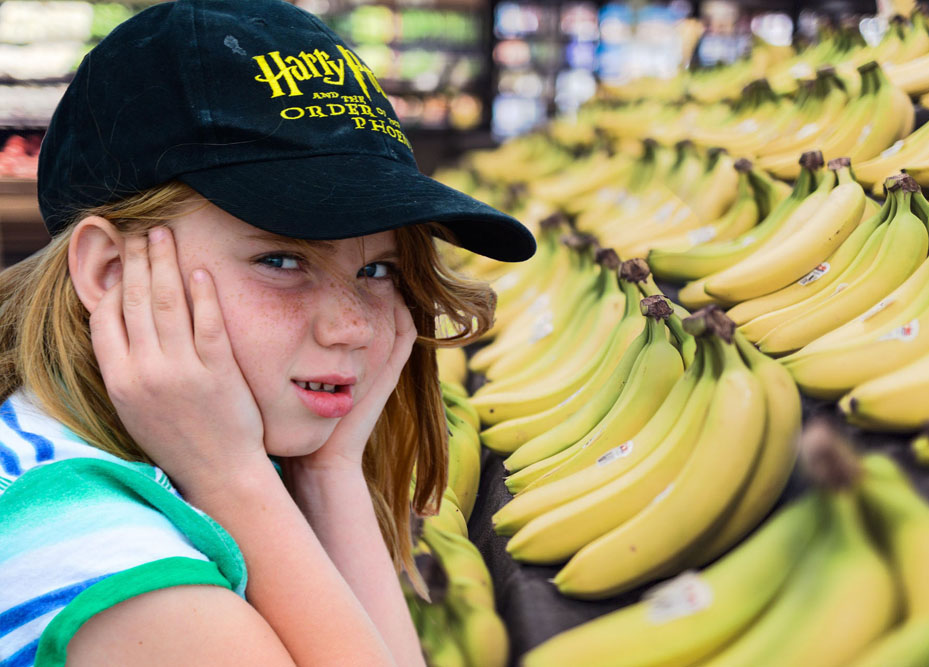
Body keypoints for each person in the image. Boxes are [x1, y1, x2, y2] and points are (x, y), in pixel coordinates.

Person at [0, 1, 534, 665]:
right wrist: (233, 478)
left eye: (376, 268)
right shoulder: (99, 559)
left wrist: (329, 469)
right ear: (110, 272)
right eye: (282, 260)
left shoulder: (124, 453)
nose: (351, 326)